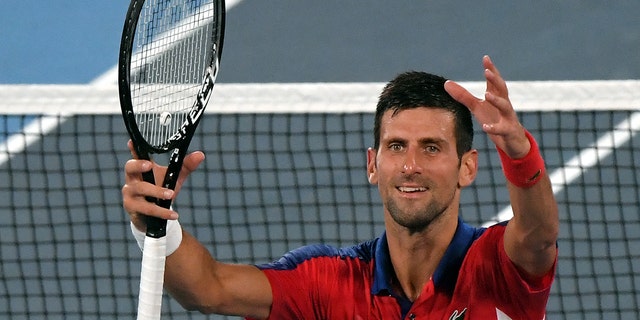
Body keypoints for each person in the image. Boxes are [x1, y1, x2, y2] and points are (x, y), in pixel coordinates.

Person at [122, 55, 558, 319]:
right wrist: (154, 223)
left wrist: (520, 153)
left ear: (467, 167)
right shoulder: (327, 283)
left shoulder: (495, 269)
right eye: (396, 146)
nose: (410, 165)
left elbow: (538, 235)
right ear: (373, 164)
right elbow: (208, 289)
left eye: (431, 148)